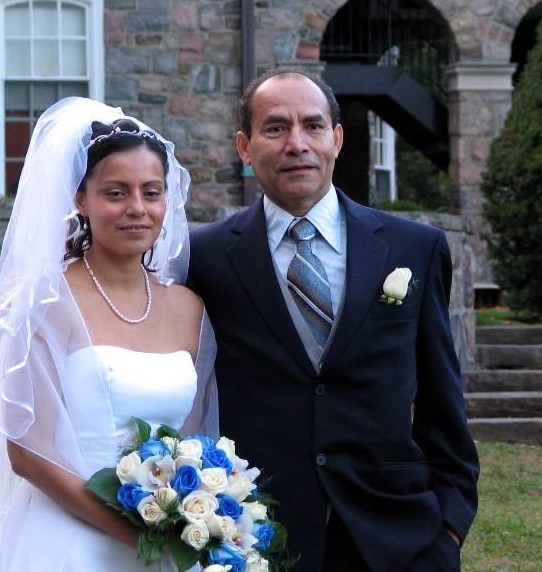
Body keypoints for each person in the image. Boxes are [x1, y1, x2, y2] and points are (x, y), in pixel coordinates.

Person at [187, 67, 479, 571]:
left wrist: (447, 529)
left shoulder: (414, 249)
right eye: (275, 128)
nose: (297, 144)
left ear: (336, 139)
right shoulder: (205, 258)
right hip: (261, 536)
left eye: (313, 125)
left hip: (398, 538)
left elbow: (442, 402)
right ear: (244, 146)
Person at [0, 98, 217, 571]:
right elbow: (27, 452)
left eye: (151, 192)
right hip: (67, 538)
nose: (137, 209)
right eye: (116, 193)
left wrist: (186, 522)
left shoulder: (188, 308)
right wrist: (134, 533)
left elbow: (194, 439)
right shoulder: (48, 301)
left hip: (166, 540)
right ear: (80, 199)